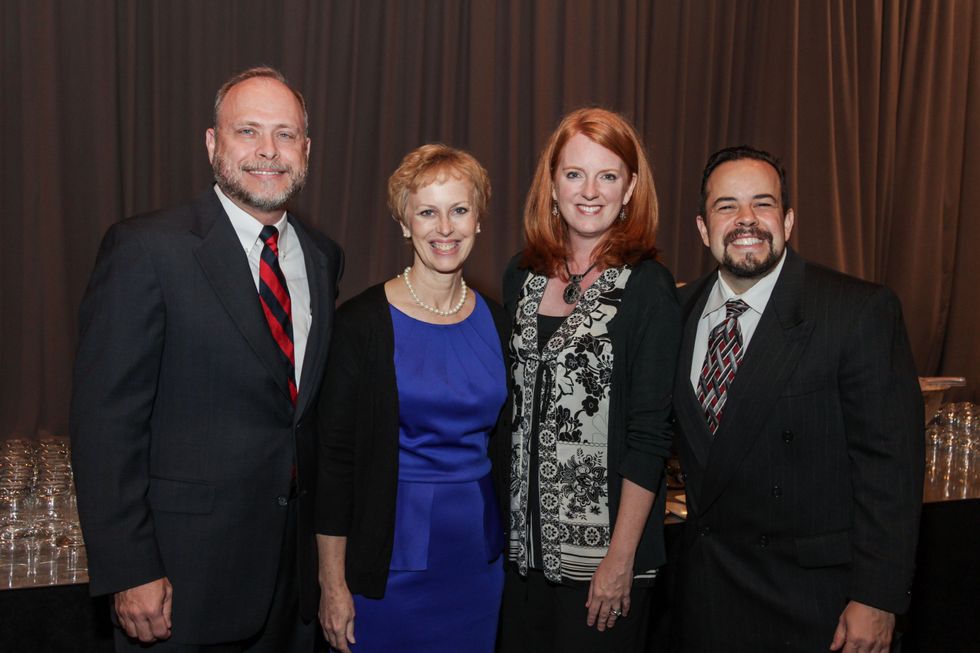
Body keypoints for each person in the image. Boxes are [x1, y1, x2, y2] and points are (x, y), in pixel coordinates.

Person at [70, 67, 344, 651]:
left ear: (307, 149)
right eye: (248, 131)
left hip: (291, 591)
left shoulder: (322, 257)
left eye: (285, 134)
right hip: (180, 585)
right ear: (212, 143)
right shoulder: (146, 250)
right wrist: (129, 568)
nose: (268, 151)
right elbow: (105, 425)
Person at [671, 145, 924, 652]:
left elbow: (890, 468)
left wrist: (878, 599)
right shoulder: (676, 311)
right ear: (703, 228)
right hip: (706, 602)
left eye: (762, 204)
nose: (746, 220)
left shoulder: (855, 310)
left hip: (816, 607)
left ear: (787, 220)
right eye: (727, 206)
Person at [498, 107, 681, 652]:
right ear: (551, 186)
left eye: (608, 176)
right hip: (520, 561)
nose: (590, 191)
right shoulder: (520, 276)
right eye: (574, 174)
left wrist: (620, 559)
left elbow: (650, 436)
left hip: (604, 570)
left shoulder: (648, 288)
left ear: (629, 191)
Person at [315, 144, 510, 653]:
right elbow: (333, 464)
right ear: (405, 223)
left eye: (459, 210)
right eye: (427, 211)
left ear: (479, 220)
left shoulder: (499, 321)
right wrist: (332, 584)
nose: (444, 227)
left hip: (477, 557)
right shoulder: (361, 325)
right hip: (389, 557)